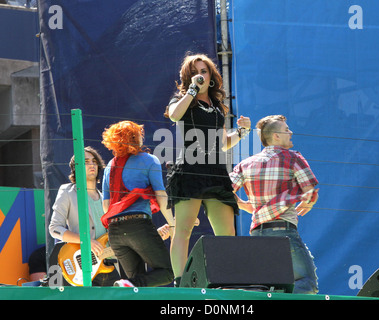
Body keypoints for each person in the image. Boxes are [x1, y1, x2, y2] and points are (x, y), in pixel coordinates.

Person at [164, 53, 251, 286]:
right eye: (195, 72)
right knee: (183, 229)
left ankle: (226, 281)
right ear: (188, 77)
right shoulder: (182, 99)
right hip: (190, 169)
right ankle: (181, 283)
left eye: (204, 71)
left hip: (215, 171)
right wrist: (191, 90)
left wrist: (243, 132)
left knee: (227, 232)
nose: (200, 75)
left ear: (212, 76)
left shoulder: (218, 107)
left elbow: (223, 142)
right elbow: (174, 116)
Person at [230, 115, 319, 294]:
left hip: (256, 232)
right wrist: (310, 200)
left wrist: (243, 205)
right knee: (306, 283)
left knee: (266, 288)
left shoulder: (245, 164)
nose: (291, 132)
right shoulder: (292, 158)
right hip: (284, 231)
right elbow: (310, 190)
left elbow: (224, 191)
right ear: (276, 136)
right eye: (286, 130)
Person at [101, 120, 175, 287]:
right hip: (138, 225)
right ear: (136, 138)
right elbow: (161, 195)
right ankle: (126, 284)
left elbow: (106, 206)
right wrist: (172, 223)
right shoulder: (150, 160)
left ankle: (126, 284)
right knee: (166, 273)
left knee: (136, 287)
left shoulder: (109, 167)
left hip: (114, 231)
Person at [48, 146, 120, 286]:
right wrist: (85, 241)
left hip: (108, 263)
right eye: (86, 161)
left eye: (94, 161)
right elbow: (55, 228)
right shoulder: (67, 191)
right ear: (76, 168)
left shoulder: (107, 198)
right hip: (83, 264)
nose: (92, 164)